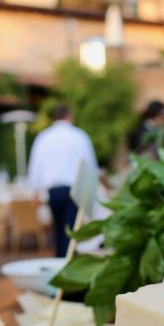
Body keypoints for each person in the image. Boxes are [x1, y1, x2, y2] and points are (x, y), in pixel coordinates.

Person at [27, 103, 100, 257]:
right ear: (69, 116)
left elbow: (35, 166)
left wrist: (35, 191)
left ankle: (60, 261)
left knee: (60, 231)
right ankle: (65, 263)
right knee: (70, 232)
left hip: (53, 191)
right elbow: (91, 167)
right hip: (75, 190)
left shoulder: (44, 137)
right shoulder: (80, 136)